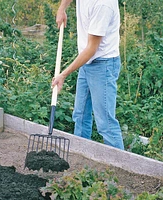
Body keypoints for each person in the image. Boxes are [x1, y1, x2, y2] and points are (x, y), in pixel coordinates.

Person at [52, 0, 124, 150]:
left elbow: (92, 48)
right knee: (80, 115)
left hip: (103, 64)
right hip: (87, 62)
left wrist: (63, 74)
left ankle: (120, 166)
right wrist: (62, 8)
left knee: (106, 123)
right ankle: (82, 155)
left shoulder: (103, 5)